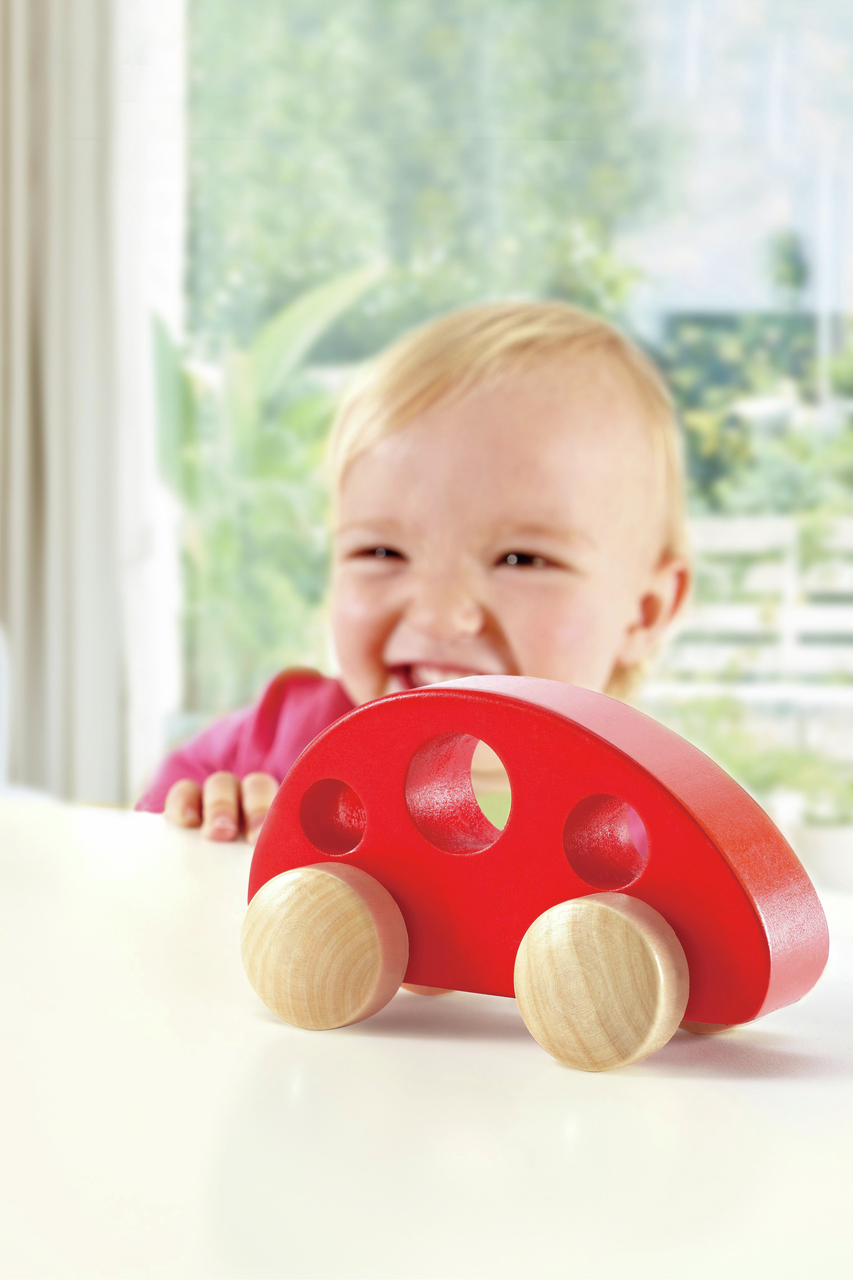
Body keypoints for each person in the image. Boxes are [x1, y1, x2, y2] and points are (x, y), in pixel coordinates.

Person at [136, 300, 691, 842]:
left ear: (645, 613)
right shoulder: (266, 752)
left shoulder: (648, 840)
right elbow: (137, 856)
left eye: (521, 560)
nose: (438, 617)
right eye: (382, 553)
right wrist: (203, 831)